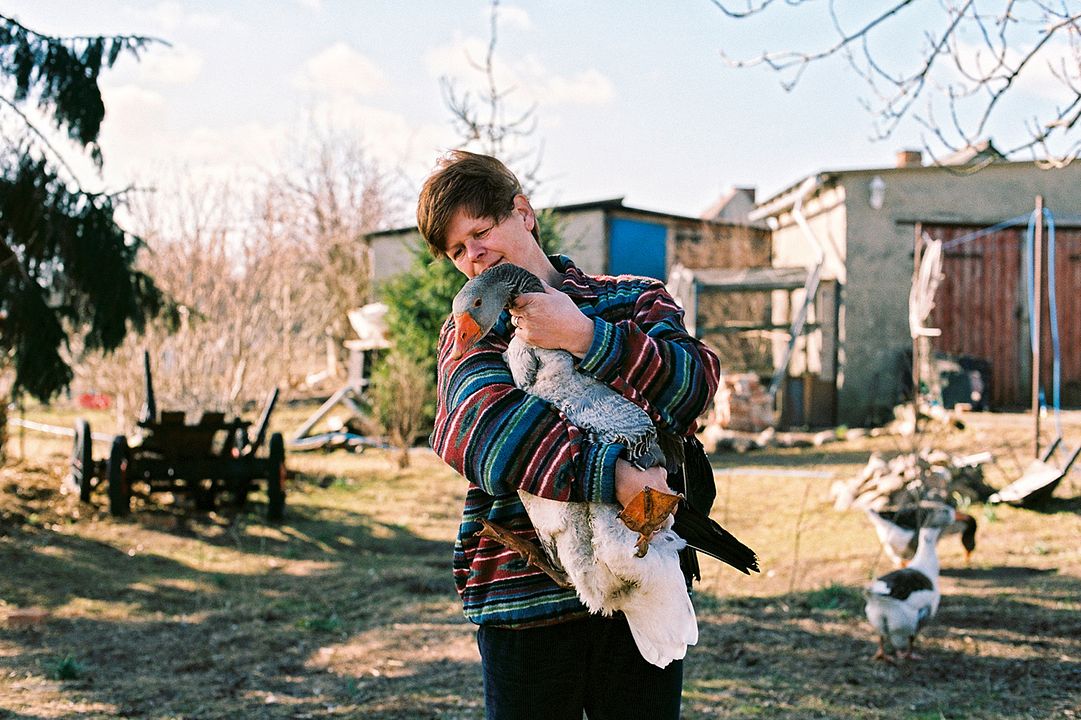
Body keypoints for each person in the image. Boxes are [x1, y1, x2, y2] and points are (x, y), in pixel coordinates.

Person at [417, 150, 720, 720]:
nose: (473, 256)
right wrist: (615, 474)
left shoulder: (633, 299)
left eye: (480, 232)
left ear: (523, 213)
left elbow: (694, 386)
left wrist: (586, 335)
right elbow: (480, 433)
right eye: (457, 249)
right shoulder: (473, 325)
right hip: (522, 598)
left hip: (641, 584)